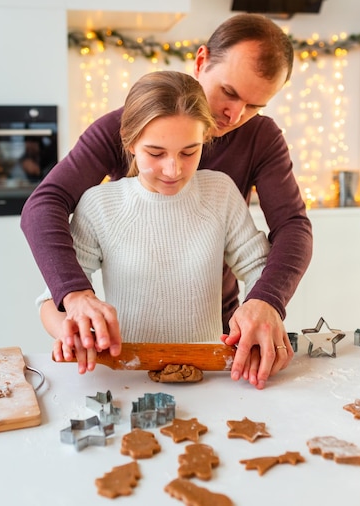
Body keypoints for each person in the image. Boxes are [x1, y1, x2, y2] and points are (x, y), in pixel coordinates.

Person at [21, 13, 312, 390]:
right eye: (230, 92)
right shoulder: (125, 127)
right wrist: (75, 298)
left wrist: (267, 301)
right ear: (202, 60)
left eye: (255, 106)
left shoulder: (253, 147)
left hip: (218, 332)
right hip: (129, 349)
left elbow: (292, 227)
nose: (236, 115)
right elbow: (45, 203)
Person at [37, 70, 282, 380]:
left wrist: (258, 311)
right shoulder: (99, 204)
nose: (173, 169)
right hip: (127, 375)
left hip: (207, 372)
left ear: (205, 138)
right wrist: (68, 329)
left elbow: (260, 266)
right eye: (156, 153)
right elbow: (51, 301)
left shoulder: (220, 192)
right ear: (130, 142)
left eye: (189, 151)